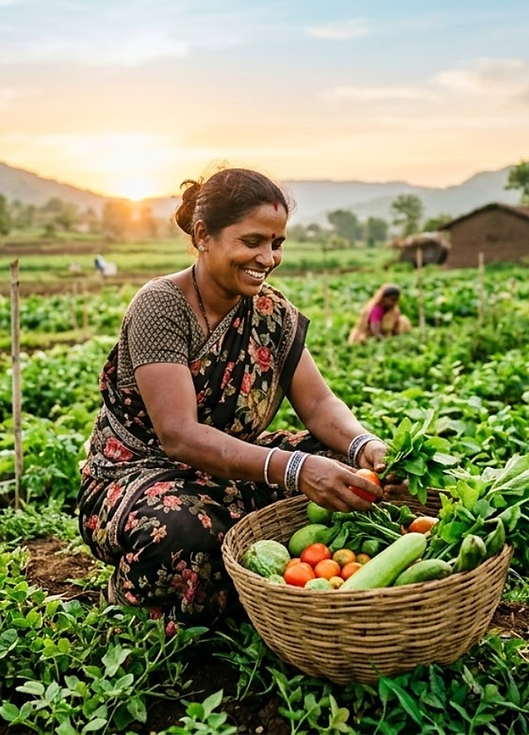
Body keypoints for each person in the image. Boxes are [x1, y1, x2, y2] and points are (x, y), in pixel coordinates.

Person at [77, 168, 398, 626]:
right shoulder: (161, 306)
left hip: (231, 468)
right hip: (141, 475)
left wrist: (366, 446)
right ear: (203, 236)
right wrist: (295, 469)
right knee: (185, 535)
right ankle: (132, 591)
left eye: (277, 243)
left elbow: (319, 405)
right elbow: (179, 435)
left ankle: (279, 583)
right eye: (252, 242)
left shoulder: (271, 311)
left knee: (349, 469)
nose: (267, 258)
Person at [347, 283, 413, 344]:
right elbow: (375, 331)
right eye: (392, 300)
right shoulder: (377, 310)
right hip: (370, 337)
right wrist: (386, 343)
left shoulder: (393, 309)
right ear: (383, 299)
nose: (394, 303)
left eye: (397, 300)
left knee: (403, 320)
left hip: (386, 335)